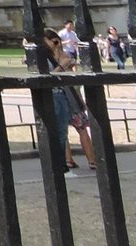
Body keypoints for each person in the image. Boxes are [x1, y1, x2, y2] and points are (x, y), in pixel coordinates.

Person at [42, 27, 98, 171]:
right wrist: (62, 65)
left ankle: (92, 160)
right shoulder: (43, 57)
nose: (56, 43)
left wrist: (62, 57)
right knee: (61, 131)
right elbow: (47, 78)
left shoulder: (63, 55)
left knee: (81, 128)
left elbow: (71, 80)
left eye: (57, 41)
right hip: (56, 96)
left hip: (70, 97)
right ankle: (66, 161)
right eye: (52, 41)